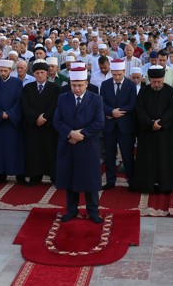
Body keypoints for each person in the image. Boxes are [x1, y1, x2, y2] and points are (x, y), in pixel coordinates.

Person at [53, 67, 105, 223]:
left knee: (90, 179)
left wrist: (81, 134)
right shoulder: (62, 98)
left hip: (88, 145)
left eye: (80, 85)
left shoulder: (96, 99)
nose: (77, 88)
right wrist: (70, 133)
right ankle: (71, 210)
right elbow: (57, 121)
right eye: (74, 85)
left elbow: (99, 122)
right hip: (68, 144)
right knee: (70, 179)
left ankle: (93, 211)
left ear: (86, 84)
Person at [133, 65, 173, 193]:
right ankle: (146, 185)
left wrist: (161, 123)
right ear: (149, 79)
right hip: (147, 132)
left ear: (163, 79)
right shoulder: (143, 91)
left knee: (165, 159)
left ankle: (166, 186)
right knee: (147, 160)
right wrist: (150, 124)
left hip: (165, 132)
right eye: (154, 82)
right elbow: (139, 110)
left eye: (159, 81)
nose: (157, 84)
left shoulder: (170, 91)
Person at [0, 59, 26, 184]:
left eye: (5, 71)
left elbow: (19, 102)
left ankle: (20, 176)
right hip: (0, 122)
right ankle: (1, 174)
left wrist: (9, 113)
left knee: (16, 149)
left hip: (13, 123)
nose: (2, 73)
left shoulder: (17, 83)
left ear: (10, 70)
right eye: (1, 71)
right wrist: (0, 114)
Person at [20, 60, 59, 185]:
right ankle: (35, 176)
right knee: (34, 151)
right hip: (33, 126)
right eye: (37, 73)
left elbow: (55, 105)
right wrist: (36, 118)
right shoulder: (28, 88)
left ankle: (54, 175)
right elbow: (25, 106)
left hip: (49, 126)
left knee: (50, 151)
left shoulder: (54, 88)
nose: (40, 75)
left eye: (42, 72)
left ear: (47, 73)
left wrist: (45, 117)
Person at [100, 59, 137, 189]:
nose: (116, 77)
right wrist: (111, 111)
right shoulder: (105, 85)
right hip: (110, 125)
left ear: (124, 72)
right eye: (114, 74)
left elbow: (132, 104)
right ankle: (110, 181)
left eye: (119, 74)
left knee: (127, 155)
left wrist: (117, 112)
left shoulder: (131, 85)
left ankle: (132, 181)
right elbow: (102, 103)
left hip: (125, 125)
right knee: (109, 155)